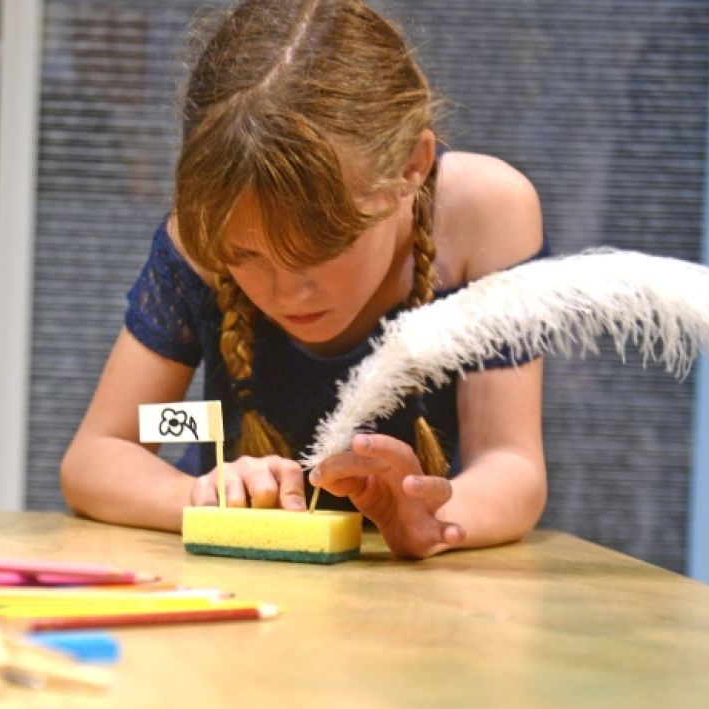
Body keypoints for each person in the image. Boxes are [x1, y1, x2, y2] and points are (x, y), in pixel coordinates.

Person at [60, 0, 547, 559]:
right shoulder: (202, 232)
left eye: (323, 249)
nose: (286, 293)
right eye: (246, 257)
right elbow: (101, 453)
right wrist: (198, 496)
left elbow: (511, 463)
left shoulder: (485, 214)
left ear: (412, 166)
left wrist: (435, 518)